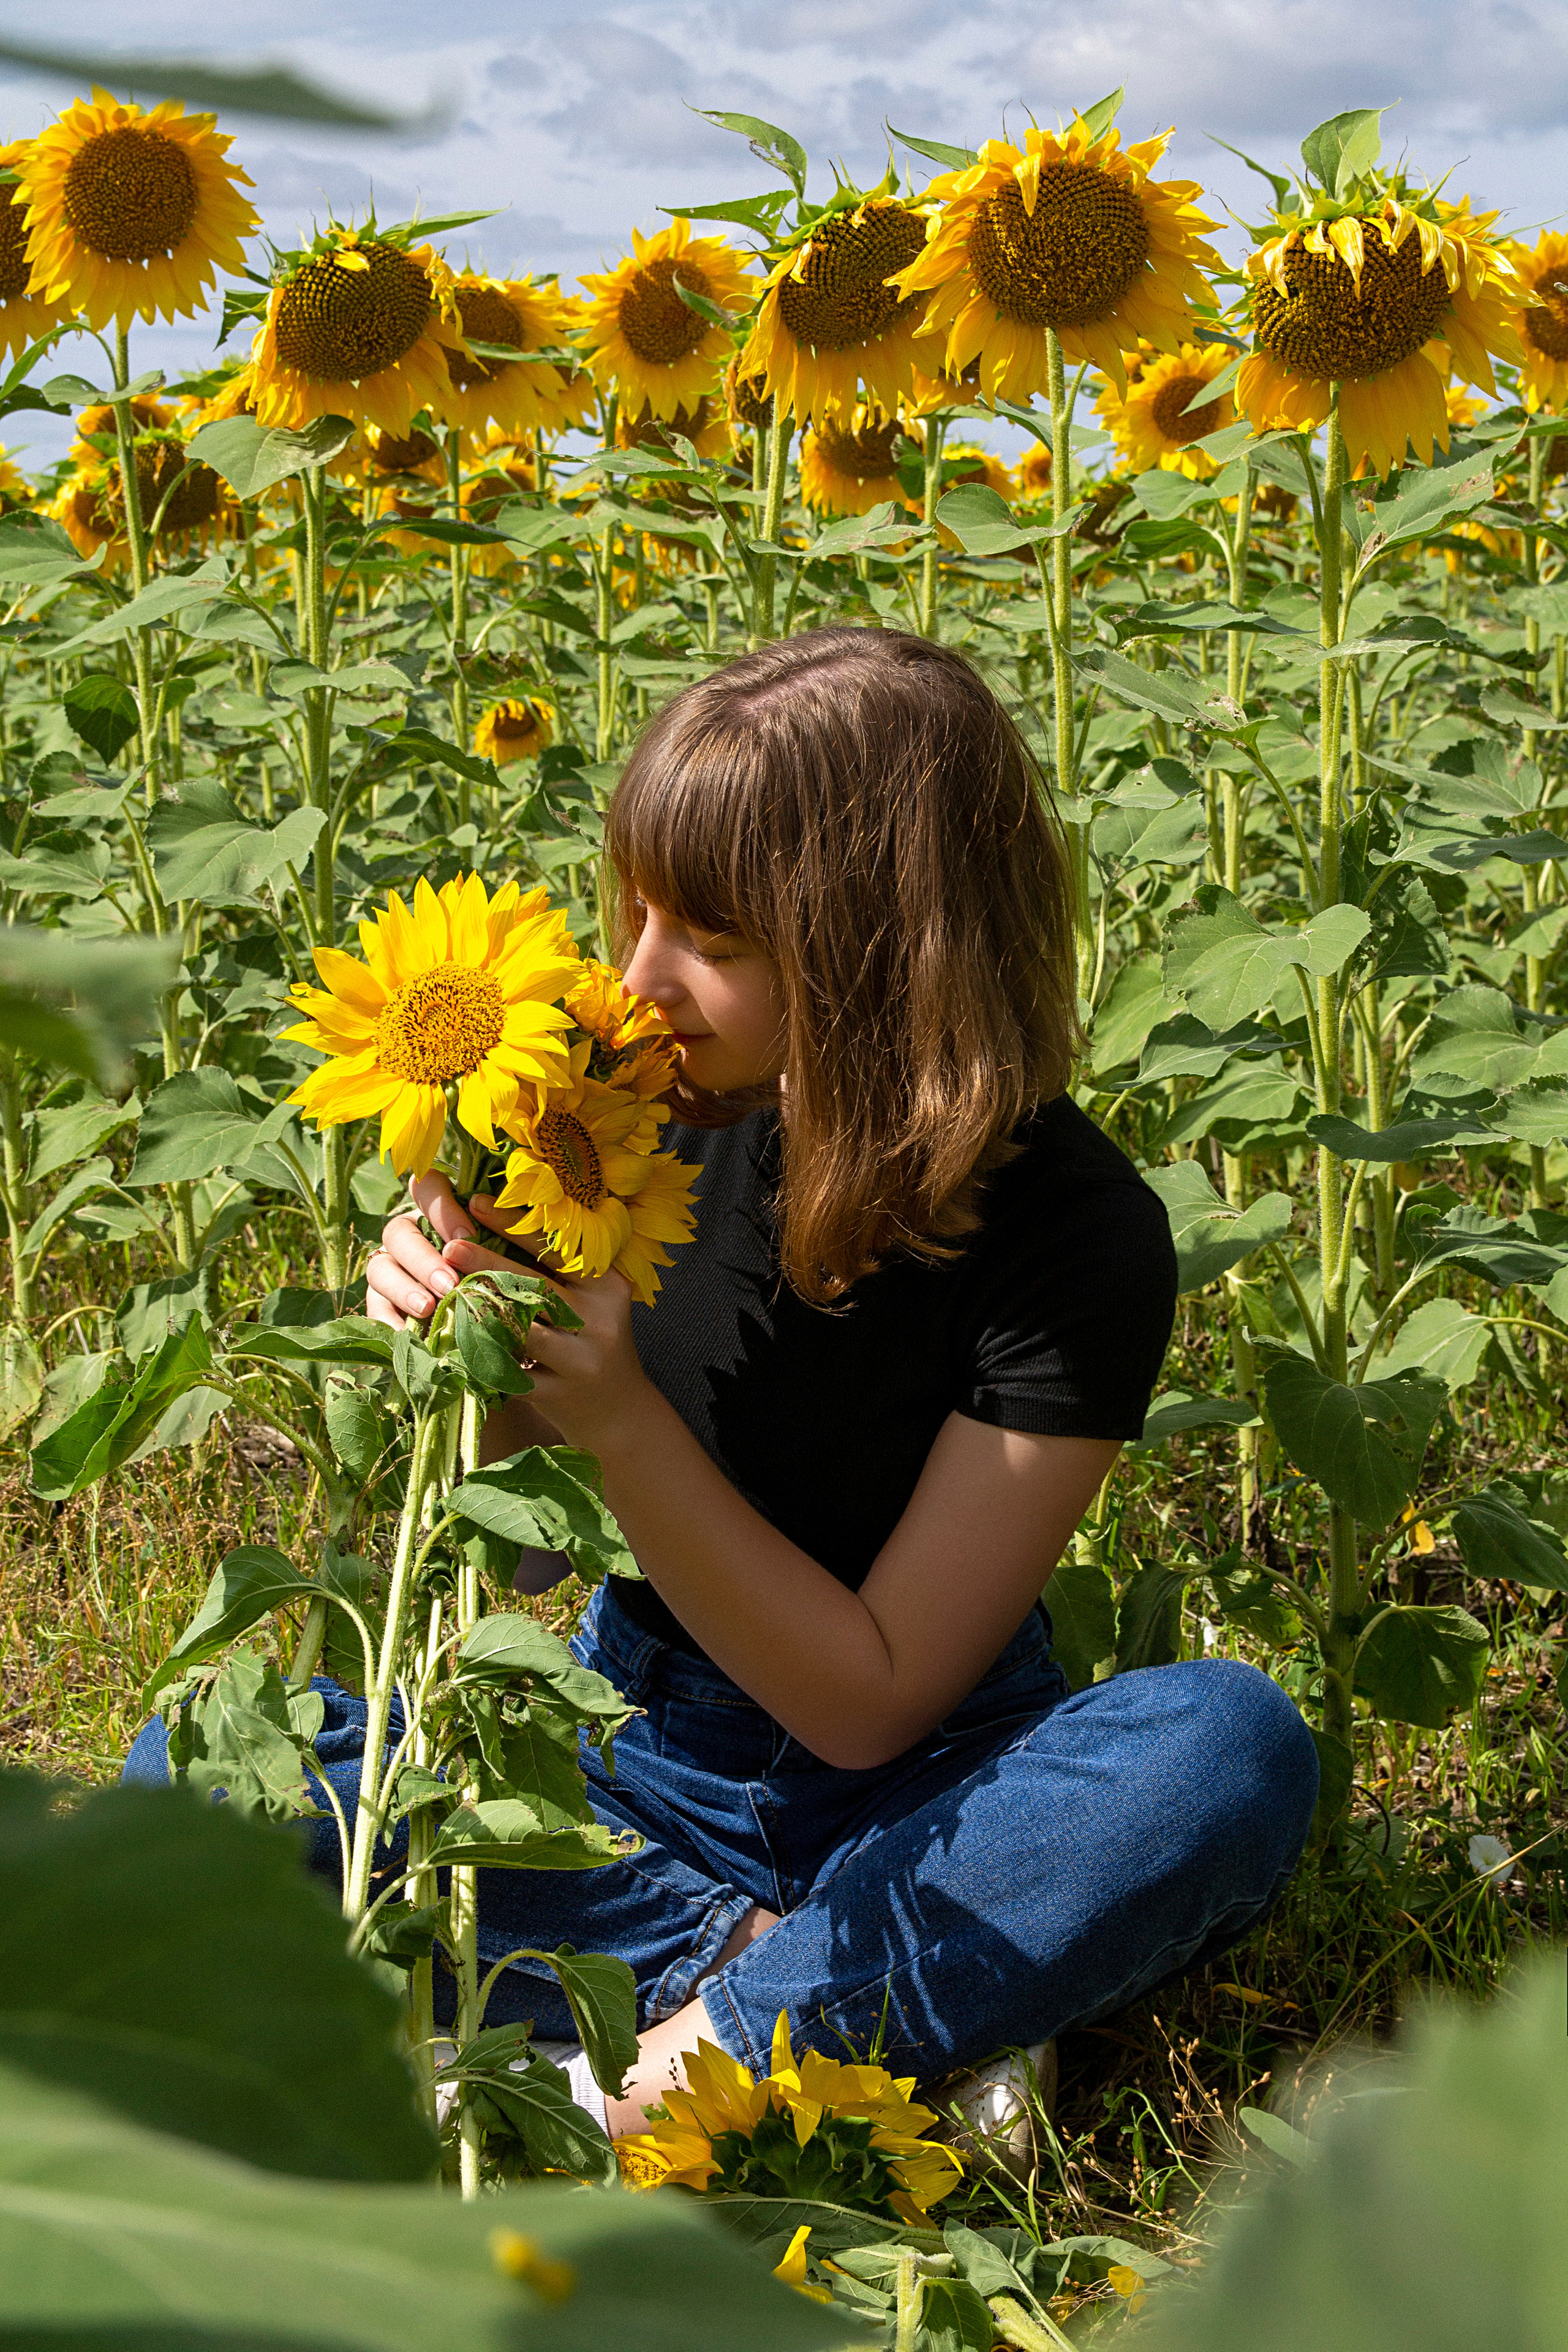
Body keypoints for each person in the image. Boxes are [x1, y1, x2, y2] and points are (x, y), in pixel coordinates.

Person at [135, 627, 1319, 2151]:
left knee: (1222, 1753)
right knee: (211, 1757)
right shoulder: (620, 1126)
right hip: (624, 1764)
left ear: (885, 945)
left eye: (711, 939)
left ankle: (649, 2066)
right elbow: (523, 1559)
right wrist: (476, 1344)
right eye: (635, 914)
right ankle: (811, 2010)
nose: (635, 985)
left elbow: (869, 1699)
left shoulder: (1073, 1234)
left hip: (932, 1786)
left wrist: (621, 1416)